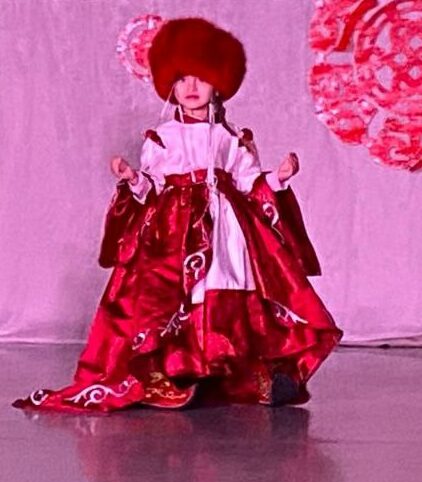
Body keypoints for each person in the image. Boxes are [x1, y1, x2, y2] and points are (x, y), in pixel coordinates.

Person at [13, 17, 342, 413]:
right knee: (171, 295)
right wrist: (132, 179)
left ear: (218, 84)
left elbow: (248, 182)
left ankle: (238, 371)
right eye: (182, 78)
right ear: (170, 83)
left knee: (228, 290)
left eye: (201, 78)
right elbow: (152, 186)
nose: (191, 87)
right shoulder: (163, 138)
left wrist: (279, 178)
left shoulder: (230, 137)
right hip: (173, 230)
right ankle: (170, 371)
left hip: (225, 230)